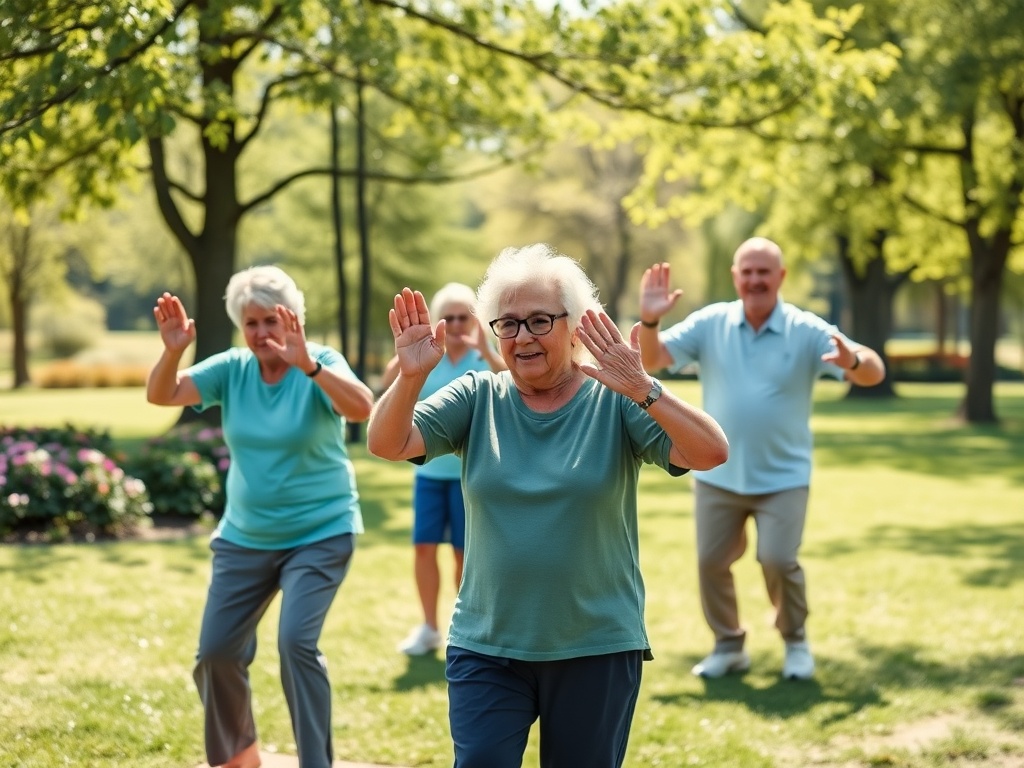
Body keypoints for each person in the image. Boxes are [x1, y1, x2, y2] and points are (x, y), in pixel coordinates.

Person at [367, 243, 729, 767]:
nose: (523, 337)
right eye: (508, 324)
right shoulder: (476, 396)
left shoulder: (614, 400)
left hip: (595, 644)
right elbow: (387, 443)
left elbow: (711, 451)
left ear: (575, 324)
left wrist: (644, 387)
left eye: (539, 320)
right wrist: (410, 378)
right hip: (487, 644)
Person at [146, 265, 374, 768]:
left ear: (292, 319)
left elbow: (363, 409)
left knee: (296, 643)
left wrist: (310, 367)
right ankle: (238, 756)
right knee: (216, 654)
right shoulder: (233, 369)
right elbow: (162, 394)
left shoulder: (321, 363)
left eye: (271, 320)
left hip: (321, 529)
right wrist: (172, 350)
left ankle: (316, 762)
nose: (262, 333)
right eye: (251, 323)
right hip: (246, 535)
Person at [637, 237, 885, 681]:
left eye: (763, 272)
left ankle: (796, 642)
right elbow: (653, 359)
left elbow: (873, 370)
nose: (755, 280)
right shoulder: (711, 323)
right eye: (747, 272)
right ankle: (729, 645)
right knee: (710, 563)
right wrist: (651, 320)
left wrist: (853, 361)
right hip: (718, 475)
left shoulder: (805, 329)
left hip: (783, 477)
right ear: (736, 277)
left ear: (781, 277)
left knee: (777, 560)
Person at [378, 282, 506, 656]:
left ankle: (463, 627)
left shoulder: (485, 357)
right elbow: (387, 387)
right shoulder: (429, 355)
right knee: (423, 548)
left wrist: (486, 350)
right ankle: (429, 627)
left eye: (462, 316)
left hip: (471, 478)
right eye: (446, 317)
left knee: (464, 556)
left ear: (476, 320)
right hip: (429, 475)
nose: (454, 324)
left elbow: (510, 386)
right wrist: (406, 357)